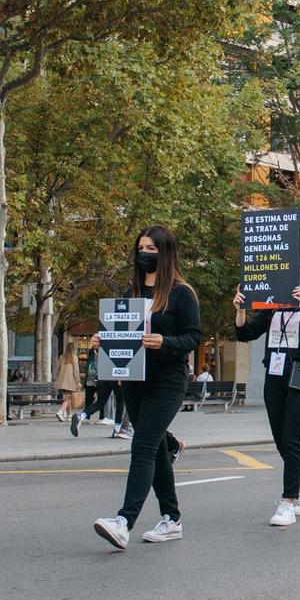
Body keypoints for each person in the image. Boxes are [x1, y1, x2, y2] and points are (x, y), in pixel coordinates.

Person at [93, 226, 202, 549]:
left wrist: (164, 342)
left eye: (151, 248)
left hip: (168, 381)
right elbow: (123, 335)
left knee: (141, 447)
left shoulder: (182, 294)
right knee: (154, 450)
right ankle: (172, 518)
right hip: (135, 381)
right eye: (140, 247)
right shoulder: (131, 294)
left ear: (165, 252)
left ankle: (124, 521)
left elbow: (193, 337)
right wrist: (105, 342)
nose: (144, 253)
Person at [234, 262, 300, 527]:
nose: (299, 280)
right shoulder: (272, 309)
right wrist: (240, 310)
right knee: (281, 440)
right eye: (294, 275)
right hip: (274, 376)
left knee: (292, 438)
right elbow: (245, 333)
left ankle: (288, 501)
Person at [56, 341, 85, 433]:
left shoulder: (62, 357)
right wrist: (78, 381)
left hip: (62, 381)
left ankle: (69, 415)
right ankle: (61, 411)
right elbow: (76, 371)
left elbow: (58, 369)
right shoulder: (74, 358)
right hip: (70, 381)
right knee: (68, 399)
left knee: (68, 398)